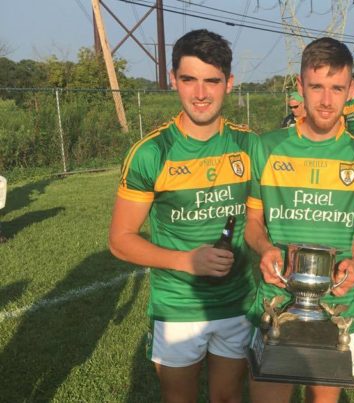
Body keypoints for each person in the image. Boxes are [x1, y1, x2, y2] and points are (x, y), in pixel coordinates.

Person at [108, 29, 261, 403]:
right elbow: (120, 239)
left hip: (237, 302)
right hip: (178, 307)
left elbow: (269, 215)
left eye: (212, 81)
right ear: (173, 79)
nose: (201, 93)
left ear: (229, 83)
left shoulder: (249, 145)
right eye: (189, 79)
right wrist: (186, 260)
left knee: (227, 398)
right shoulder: (151, 153)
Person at [244, 37, 354, 403]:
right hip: (275, 303)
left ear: (349, 90)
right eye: (317, 87)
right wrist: (263, 248)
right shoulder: (268, 146)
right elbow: (252, 222)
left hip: (337, 307)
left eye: (337, 88)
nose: (326, 100)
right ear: (300, 87)